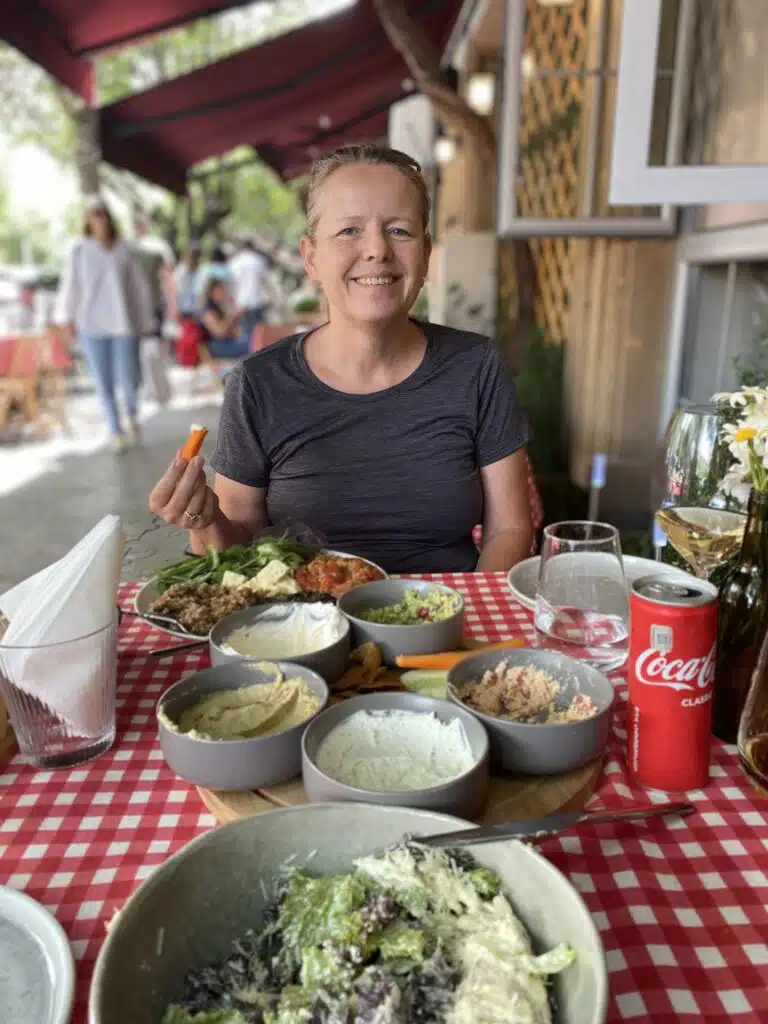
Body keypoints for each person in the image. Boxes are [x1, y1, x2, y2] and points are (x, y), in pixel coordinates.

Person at [149, 144, 534, 573]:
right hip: (302, 630)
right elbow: (238, 547)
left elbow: (510, 529)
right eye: (349, 231)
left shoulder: (475, 366)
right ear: (311, 257)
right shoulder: (259, 383)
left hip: (448, 623)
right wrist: (203, 518)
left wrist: (465, 622)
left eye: (400, 231)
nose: (377, 250)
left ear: (426, 254)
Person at [55, 196, 155, 453]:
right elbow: (71, 286)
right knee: (103, 381)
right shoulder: (79, 250)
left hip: (124, 324)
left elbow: (138, 290)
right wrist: (65, 318)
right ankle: (115, 430)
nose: (98, 218)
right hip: (91, 325)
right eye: (93, 214)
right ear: (87, 219)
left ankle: (132, 413)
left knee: (130, 377)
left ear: (109, 217)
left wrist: (146, 322)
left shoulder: (125, 249)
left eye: (102, 213)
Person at [229, 240, 271, 344]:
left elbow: (232, 285)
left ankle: (248, 357)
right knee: (258, 335)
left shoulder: (235, 262)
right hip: (256, 302)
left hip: (240, 304)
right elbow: (266, 281)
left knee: (245, 334)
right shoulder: (259, 260)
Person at [200, 279, 250, 359]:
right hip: (216, 347)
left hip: (227, 342)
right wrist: (234, 316)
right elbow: (220, 332)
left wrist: (231, 302)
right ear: (212, 293)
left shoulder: (220, 307)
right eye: (220, 289)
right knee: (250, 344)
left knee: (251, 338)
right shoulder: (208, 312)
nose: (224, 292)